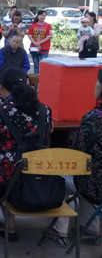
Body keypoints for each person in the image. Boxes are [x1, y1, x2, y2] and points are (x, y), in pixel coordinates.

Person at [0, 66, 52, 242]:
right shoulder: (45, 110)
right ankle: (8, 224)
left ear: (0, 86)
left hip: (6, 180)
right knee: (11, 168)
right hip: (39, 176)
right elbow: (50, 129)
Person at [70, 68, 102, 242]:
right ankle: (90, 226)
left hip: (95, 184)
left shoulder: (93, 117)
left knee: (58, 177)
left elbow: (80, 152)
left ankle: (60, 232)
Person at [27, 10, 52, 74]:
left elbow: (49, 36)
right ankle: (36, 78)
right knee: (36, 65)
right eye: (41, 15)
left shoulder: (48, 26)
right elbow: (30, 35)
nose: (43, 17)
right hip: (34, 47)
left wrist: (39, 43)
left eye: (44, 16)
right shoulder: (33, 25)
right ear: (38, 16)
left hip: (44, 47)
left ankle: (44, 78)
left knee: (44, 65)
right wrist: (35, 43)